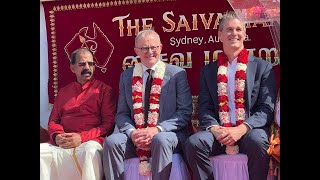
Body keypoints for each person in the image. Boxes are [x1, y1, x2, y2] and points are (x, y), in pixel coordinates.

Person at [184, 11, 276, 180]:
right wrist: (216, 129)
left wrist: (241, 129)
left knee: (257, 142)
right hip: (220, 132)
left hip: (249, 130)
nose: (234, 33)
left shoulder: (263, 67)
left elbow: (266, 109)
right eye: (229, 30)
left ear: (245, 34)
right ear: (220, 35)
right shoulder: (208, 71)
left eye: (238, 29)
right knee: (193, 144)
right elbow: (205, 108)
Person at [103, 29, 193, 180]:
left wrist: (156, 130)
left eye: (154, 47)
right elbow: (122, 114)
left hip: (168, 135)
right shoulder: (126, 76)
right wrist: (133, 133)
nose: (150, 51)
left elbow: (184, 112)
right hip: (136, 137)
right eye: (144, 48)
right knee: (112, 142)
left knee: (160, 139)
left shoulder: (177, 74)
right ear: (136, 51)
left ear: (161, 48)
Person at [40, 47, 116, 180]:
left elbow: (108, 125)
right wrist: (57, 136)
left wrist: (81, 137)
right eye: (82, 64)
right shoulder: (63, 92)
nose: (87, 67)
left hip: (90, 141)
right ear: (72, 68)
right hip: (63, 140)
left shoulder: (104, 91)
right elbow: (53, 121)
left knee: (89, 152)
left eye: (91, 64)